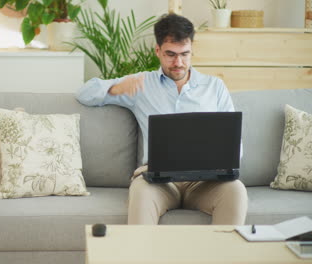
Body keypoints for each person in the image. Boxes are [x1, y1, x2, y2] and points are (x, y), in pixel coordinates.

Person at [76, 13, 248, 225]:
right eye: (170, 54)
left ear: (192, 49)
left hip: (204, 182)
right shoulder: (142, 84)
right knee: (141, 193)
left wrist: (220, 164)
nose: (178, 62)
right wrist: (115, 88)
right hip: (157, 182)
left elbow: (234, 145)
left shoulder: (215, 88)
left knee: (236, 190)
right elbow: (84, 93)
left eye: (185, 54)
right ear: (157, 51)